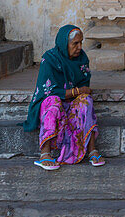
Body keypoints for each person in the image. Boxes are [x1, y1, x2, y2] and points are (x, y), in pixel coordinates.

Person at [24, 24, 105, 169]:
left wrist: (79, 93)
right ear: (64, 43)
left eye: (81, 43)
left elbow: (84, 87)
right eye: (75, 43)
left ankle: (92, 149)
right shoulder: (49, 59)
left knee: (86, 101)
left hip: (72, 103)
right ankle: (45, 153)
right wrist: (76, 91)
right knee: (52, 102)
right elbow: (48, 90)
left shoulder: (81, 58)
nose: (79, 47)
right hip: (55, 102)